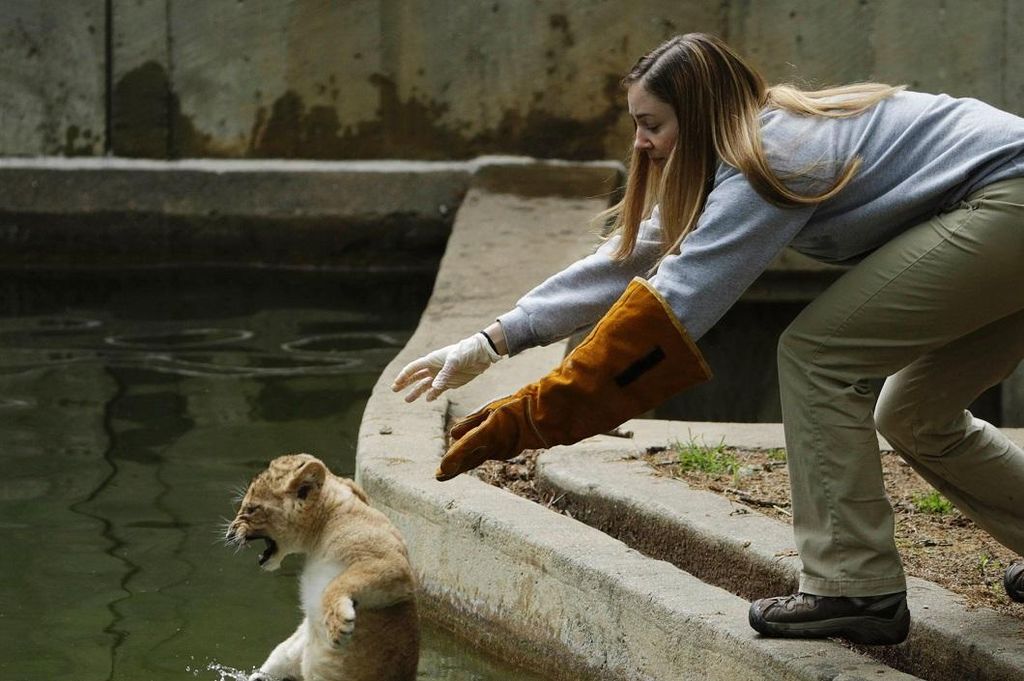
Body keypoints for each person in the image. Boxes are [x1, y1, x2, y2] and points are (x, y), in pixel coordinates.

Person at [391, 32, 1024, 645]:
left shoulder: (773, 157)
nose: (640, 143)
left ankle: (855, 589)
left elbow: (678, 304)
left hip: (1006, 202)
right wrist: (491, 341)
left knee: (818, 358)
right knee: (914, 412)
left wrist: (538, 414)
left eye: (653, 124)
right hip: (1003, 206)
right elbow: (631, 256)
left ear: (699, 115)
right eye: (636, 123)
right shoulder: (751, 140)